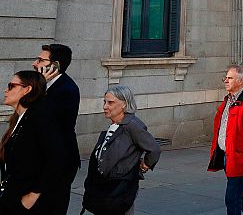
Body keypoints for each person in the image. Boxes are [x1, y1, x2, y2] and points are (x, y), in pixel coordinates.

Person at [82, 85, 161, 215]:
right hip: (105, 187)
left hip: (120, 188)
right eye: (105, 102)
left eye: (110, 103)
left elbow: (154, 149)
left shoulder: (132, 125)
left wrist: (145, 164)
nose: (105, 106)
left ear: (124, 104)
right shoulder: (115, 124)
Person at [0, 71, 66, 214]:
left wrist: (32, 196)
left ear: (27, 89)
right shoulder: (21, 118)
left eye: (11, 86)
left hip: (29, 203)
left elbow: (57, 159)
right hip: (12, 195)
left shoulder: (40, 118)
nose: (6, 90)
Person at [208, 65, 243, 215]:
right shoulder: (229, 99)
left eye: (229, 78)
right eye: (225, 78)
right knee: (240, 195)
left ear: (240, 81)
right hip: (228, 156)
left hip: (240, 159)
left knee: (232, 198)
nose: (225, 80)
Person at [33, 43, 81, 213]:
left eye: (40, 60)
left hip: (59, 163)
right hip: (45, 160)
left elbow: (41, 120)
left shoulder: (67, 89)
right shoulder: (45, 85)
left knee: (53, 207)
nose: (34, 63)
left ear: (55, 66)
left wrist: (38, 88)